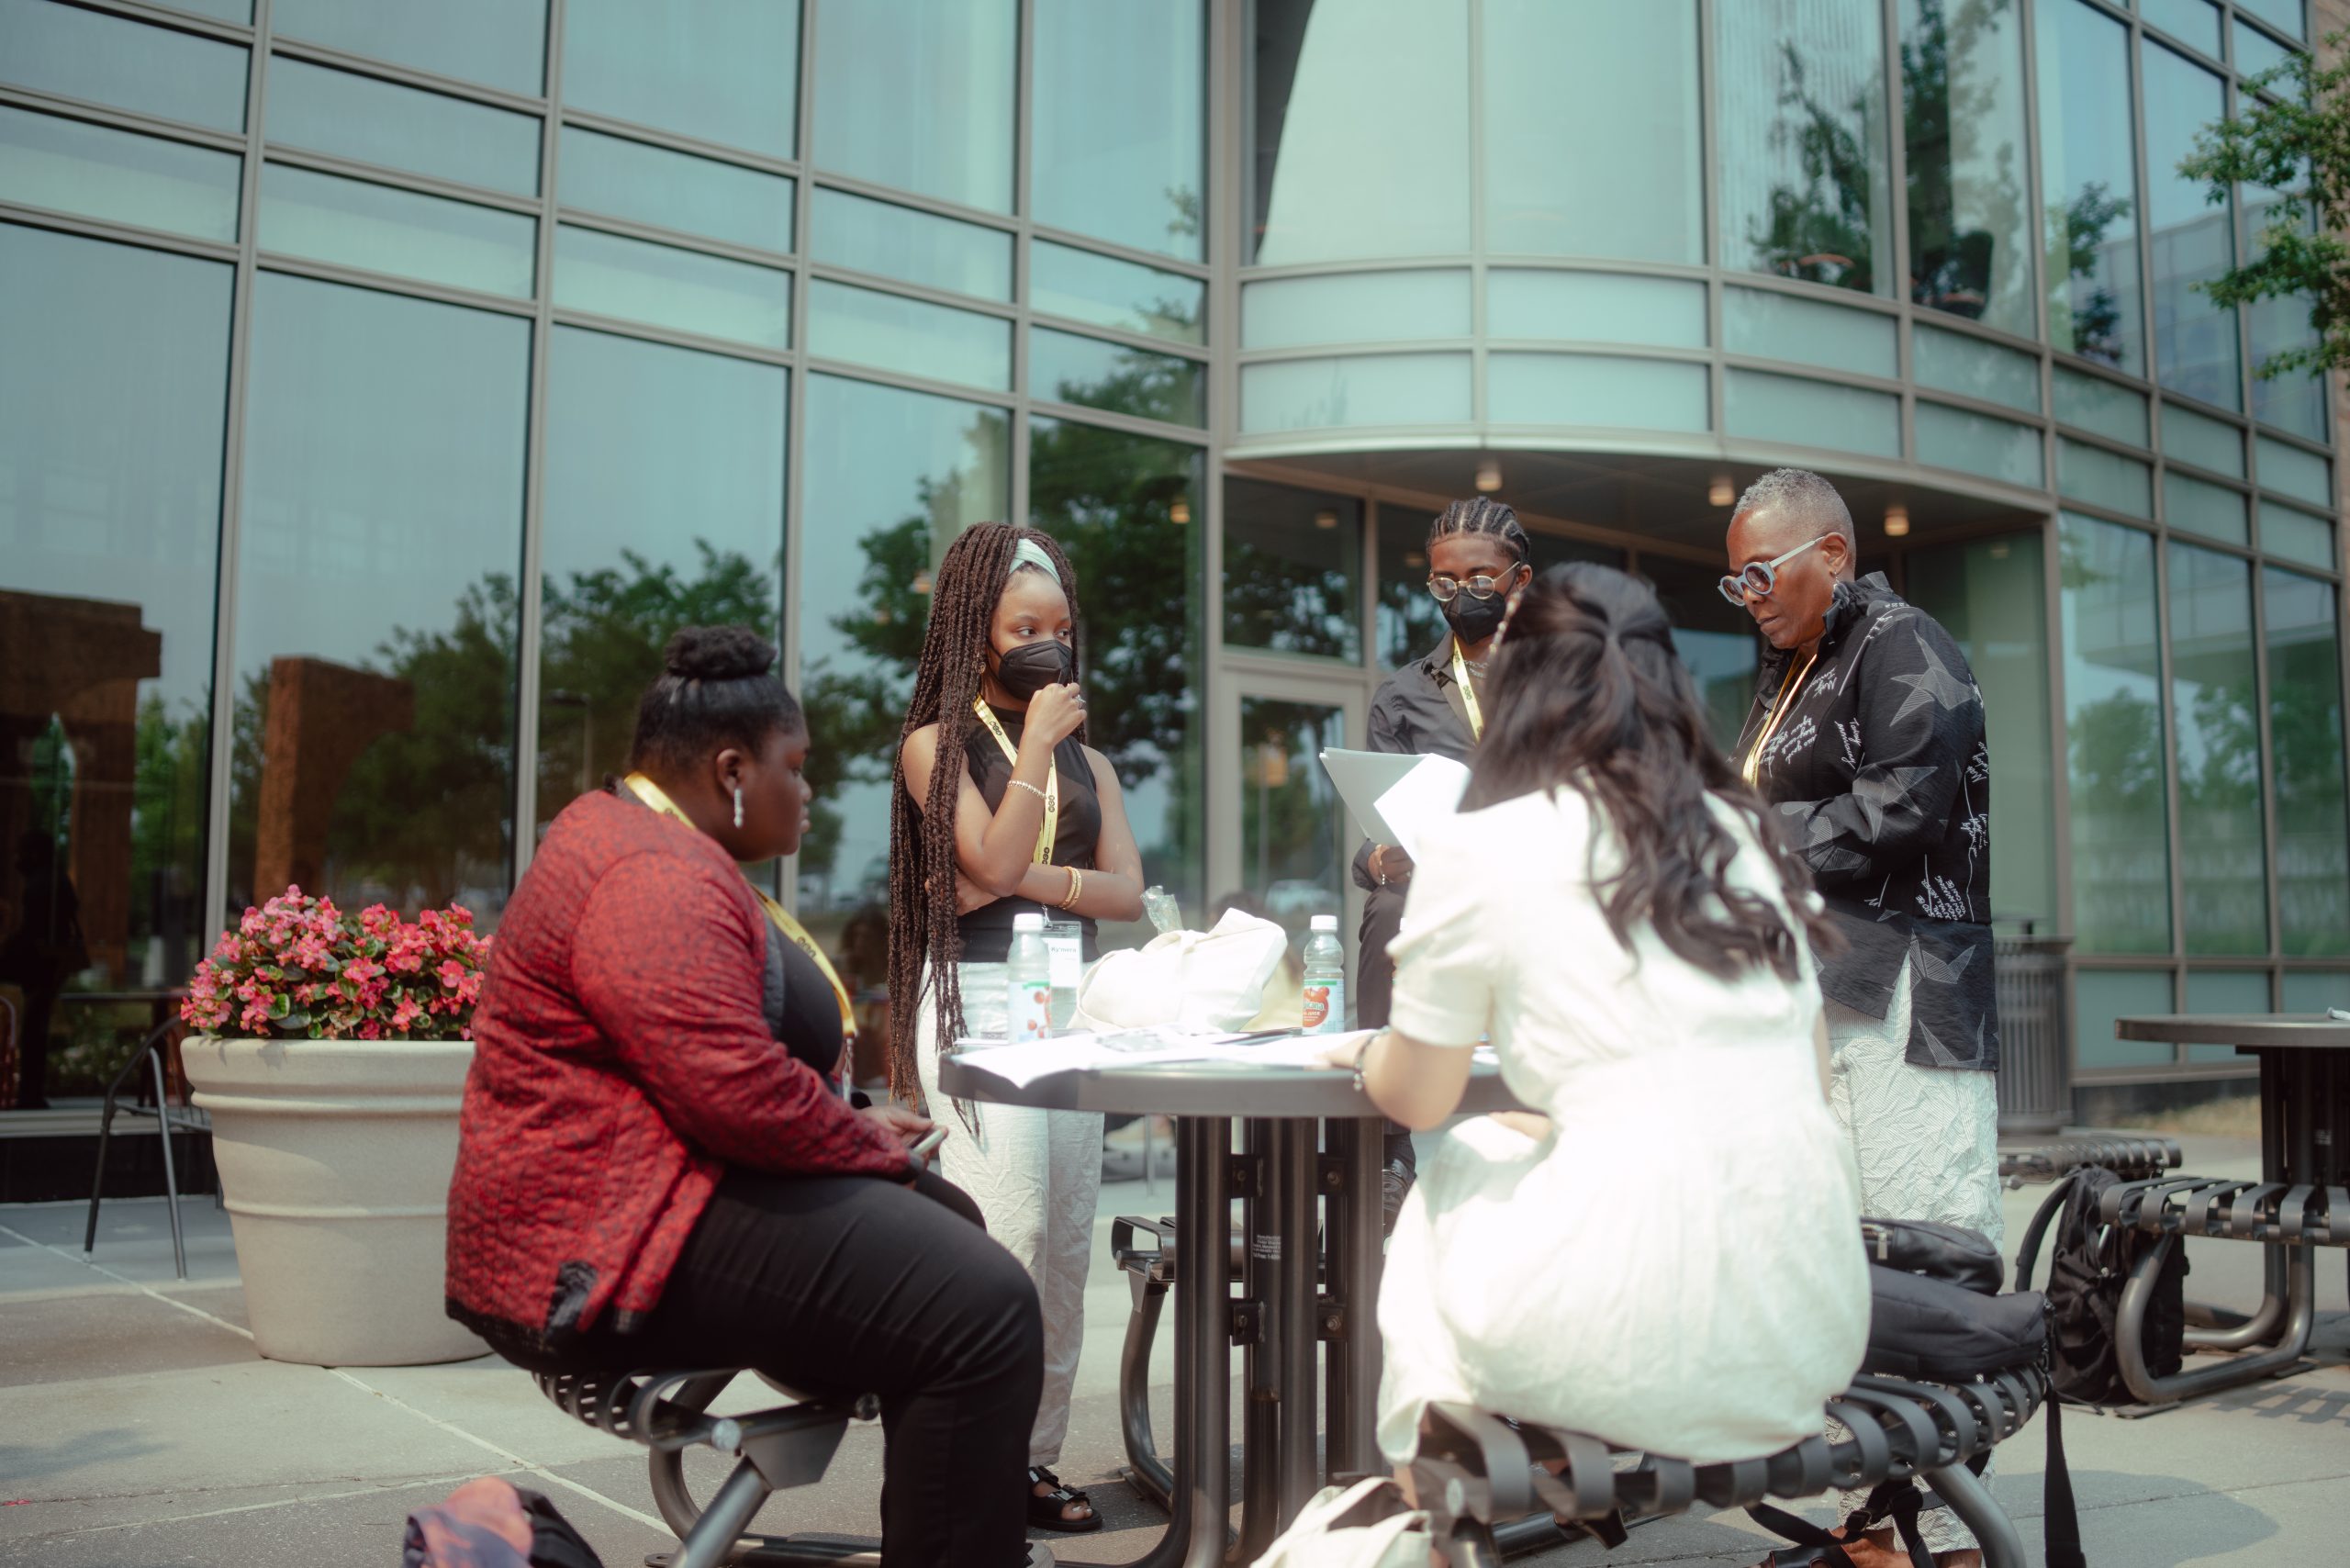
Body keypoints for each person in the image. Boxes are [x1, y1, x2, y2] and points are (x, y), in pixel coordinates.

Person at [445, 626, 1046, 1568]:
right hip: (598, 1248)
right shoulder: (649, 872)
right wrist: (868, 1145)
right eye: (793, 768)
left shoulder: (642, 839)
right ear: (731, 770)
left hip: (637, 1203)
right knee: (983, 1307)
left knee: (951, 1233)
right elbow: (731, 1092)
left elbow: (708, 1063)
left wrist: (850, 1121)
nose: (807, 792)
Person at [1326, 564, 1869, 1473]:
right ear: (1666, 686)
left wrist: (1363, 1050)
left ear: (1518, 691)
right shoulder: (1744, 837)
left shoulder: (1482, 843)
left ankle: (1428, 1482)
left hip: (1626, 1347)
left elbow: (1417, 1098)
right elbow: (1802, 1081)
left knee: (1454, 1163)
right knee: (1515, 1142)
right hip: (1805, 1339)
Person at [1724, 468, 2000, 1567]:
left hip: (1910, 993)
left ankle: (1953, 1528)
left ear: (1831, 555)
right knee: (1851, 1254)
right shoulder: (1794, 668)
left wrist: (1745, 839)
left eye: (1761, 571)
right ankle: (1885, 1511)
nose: (1747, 595)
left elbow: (1902, 805)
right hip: (1828, 990)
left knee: (1925, 1238)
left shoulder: (1901, 642)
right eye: (1735, 579)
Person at [890, 522, 1147, 1534]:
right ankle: (974, 1461)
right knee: (1011, 1231)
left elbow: (1124, 894)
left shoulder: (1097, 764)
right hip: (979, 999)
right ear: (976, 634)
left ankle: (1031, 1461)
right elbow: (988, 861)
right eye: (1024, 629)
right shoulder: (933, 745)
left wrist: (1017, 878)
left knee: (1066, 1246)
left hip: (1069, 1008)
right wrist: (1034, 749)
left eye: (1060, 628)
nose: (1049, 645)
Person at [1351, 496, 1533, 1226]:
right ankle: (1384, 1149)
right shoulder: (1401, 695)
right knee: (1387, 905)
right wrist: (1379, 859)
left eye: (1481, 579)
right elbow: (1373, 834)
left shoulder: (1567, 679)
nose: (1463, 595)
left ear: (1519, 580)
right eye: (1445, 583)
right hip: (1443, 886)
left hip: (1541, 879)